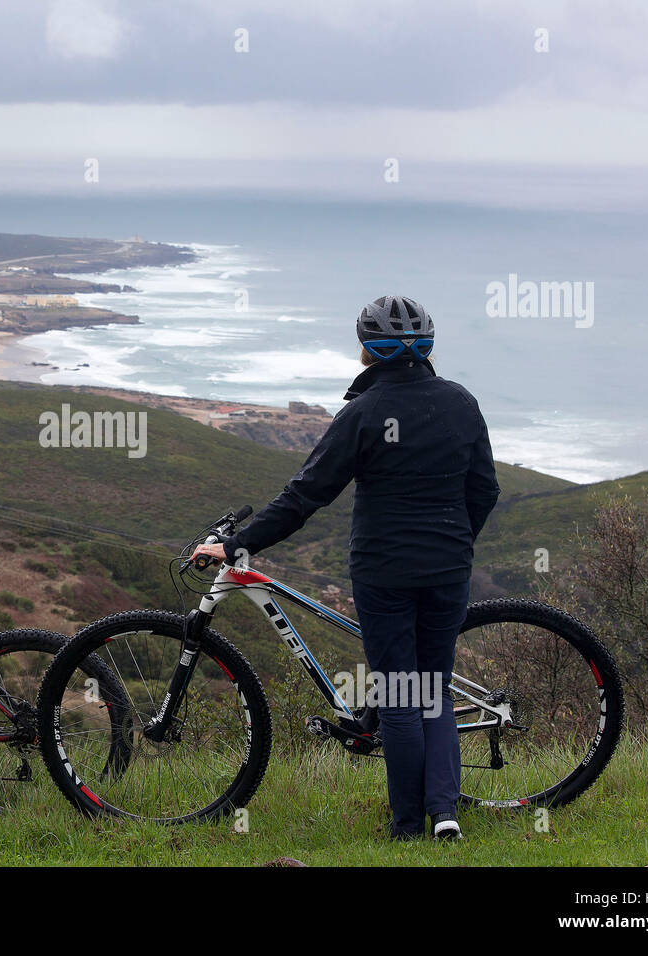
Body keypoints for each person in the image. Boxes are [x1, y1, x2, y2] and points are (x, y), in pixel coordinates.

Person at [191, 295, 499, 841]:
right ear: (426, 347)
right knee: (433, 688)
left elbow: (303, 498)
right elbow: (485, 490)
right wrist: (454, 546)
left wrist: (237, 546)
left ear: (367, 352)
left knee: (401, 693)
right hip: (449, 569)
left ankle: (407, 827)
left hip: (384, 573)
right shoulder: (462, 403)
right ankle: (445, 815)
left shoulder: (362, 413)